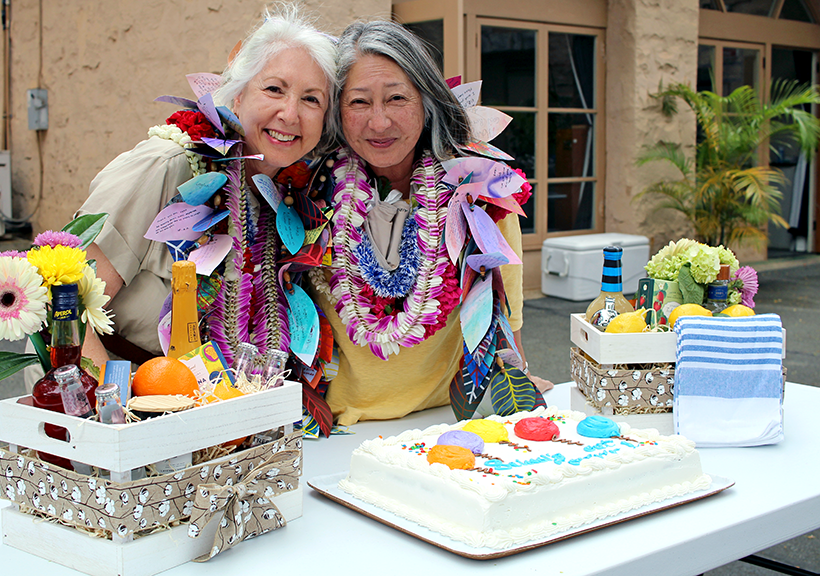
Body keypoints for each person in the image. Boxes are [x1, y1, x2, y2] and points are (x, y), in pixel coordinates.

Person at [308, 20, 553, 427]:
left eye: (397, 98)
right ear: (337, 110)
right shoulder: (309, 194)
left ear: (427, 101)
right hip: (337, 424)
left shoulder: (476, 190)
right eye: (359, 102)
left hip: (448, 419)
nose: (380, 122)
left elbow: (505, 314)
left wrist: (518, 385)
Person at [73, 5, 338, 372]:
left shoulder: (283, 200)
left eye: (312, 99)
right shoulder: (168, 165)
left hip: (212, 412)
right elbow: (68, 305)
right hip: (121, 402)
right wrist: (108, 408)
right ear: (239, 93)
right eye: (274, 89)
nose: (291, 114)